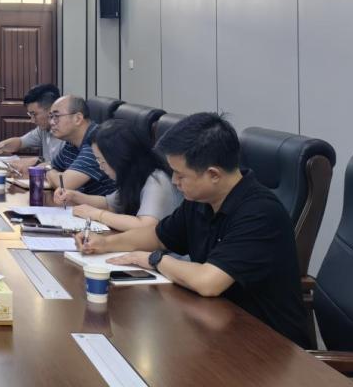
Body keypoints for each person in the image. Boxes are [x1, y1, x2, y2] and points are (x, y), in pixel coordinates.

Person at [74, 112, 310, 347]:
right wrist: (104, 243)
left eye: (180, 175)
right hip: (217, 327)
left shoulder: (260, 213)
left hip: (268, 345)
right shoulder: (201, 201)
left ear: (213, 174)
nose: (174, 181)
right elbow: (157, 236)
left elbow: (208, 282)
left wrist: (154, 259)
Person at [54, 118, 179, 230]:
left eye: (102, 161)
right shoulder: (133, 175)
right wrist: (74, 196)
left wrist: (97, 214)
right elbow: (110, 204)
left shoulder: (157, 180)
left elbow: (146, 226)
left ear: (120, 158)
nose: (101, 167)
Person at [44, 95, 116, 196]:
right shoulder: (72, 141)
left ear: (78, 118)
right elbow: (54, 167)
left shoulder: (97, 141)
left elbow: (64, 184)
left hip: (107, 205)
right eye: (51, 117)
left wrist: (47, 169)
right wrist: (50, 170)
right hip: (81, 203)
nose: (51, 122)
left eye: (56, 116)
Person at [0, 84, 64, 173]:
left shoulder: (67, 134)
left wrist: (38, 162)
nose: (32, 120)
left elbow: (63, 168)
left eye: (34, 114)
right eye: (30, 114)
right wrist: (1, 146)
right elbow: (21, 142)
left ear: (51, 110)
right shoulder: (43, 129)